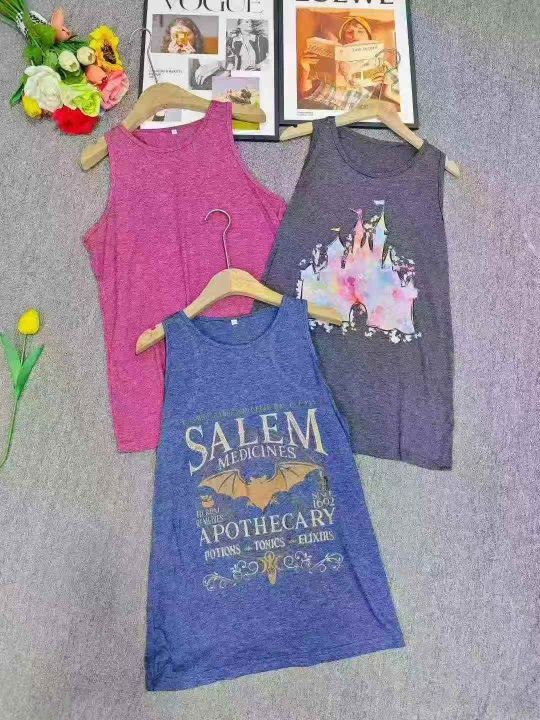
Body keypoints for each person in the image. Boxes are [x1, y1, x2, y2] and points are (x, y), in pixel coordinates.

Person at [298, 16, 398, 112]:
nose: (355, 36)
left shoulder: (380, 63)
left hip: (363, 112)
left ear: (369, 37)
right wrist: (305, 68)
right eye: (349, 32)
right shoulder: (332, 64)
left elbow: (397, 96)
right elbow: (306, 94)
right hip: (335, 112)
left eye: (360, 31)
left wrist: (386, 86)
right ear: (343, 40)